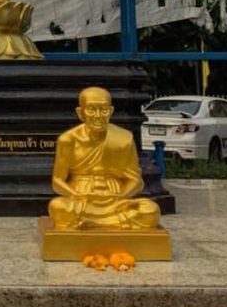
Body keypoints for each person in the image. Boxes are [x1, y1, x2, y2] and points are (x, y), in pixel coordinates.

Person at [48, 86, 161, 230]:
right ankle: (114, 222)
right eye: (91, 109)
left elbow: (136, 180)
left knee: (151, 210)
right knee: (58, 207)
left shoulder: (124, 138)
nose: (98, 115)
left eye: (103, 109)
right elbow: (57, 181)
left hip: (115, 199)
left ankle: (90, 223)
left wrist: (121, 196)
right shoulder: (68, 140)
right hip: (83, 199)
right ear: (80, 113)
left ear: (111, 111)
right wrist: (77, 194)